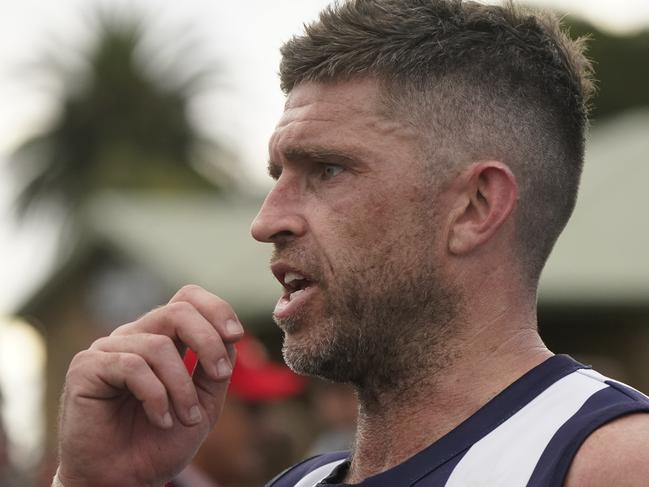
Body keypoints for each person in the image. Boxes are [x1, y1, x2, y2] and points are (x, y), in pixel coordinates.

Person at [52, 1, 649, 486]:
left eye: (328, 170)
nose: (266, 221)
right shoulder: (298, 483)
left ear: (475, 207)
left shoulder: (612, 463)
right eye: (276, 176)